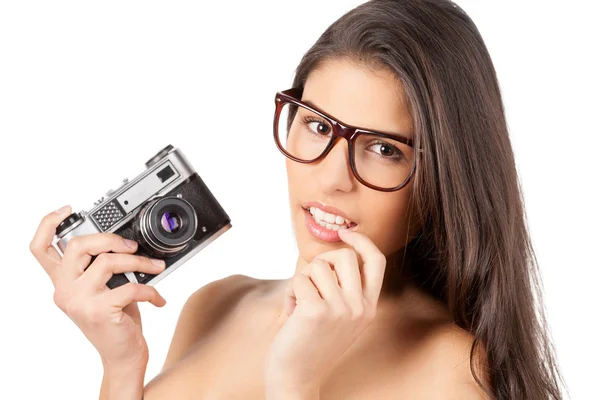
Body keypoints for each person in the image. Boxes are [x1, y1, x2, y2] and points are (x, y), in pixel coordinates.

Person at [29, 0, 565, 399]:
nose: (333, 178)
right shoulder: (216, 304)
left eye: (383, 148)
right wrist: (121, 368)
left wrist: (295, 382)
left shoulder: (450, 367)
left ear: (444, 178)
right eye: (316, 126)